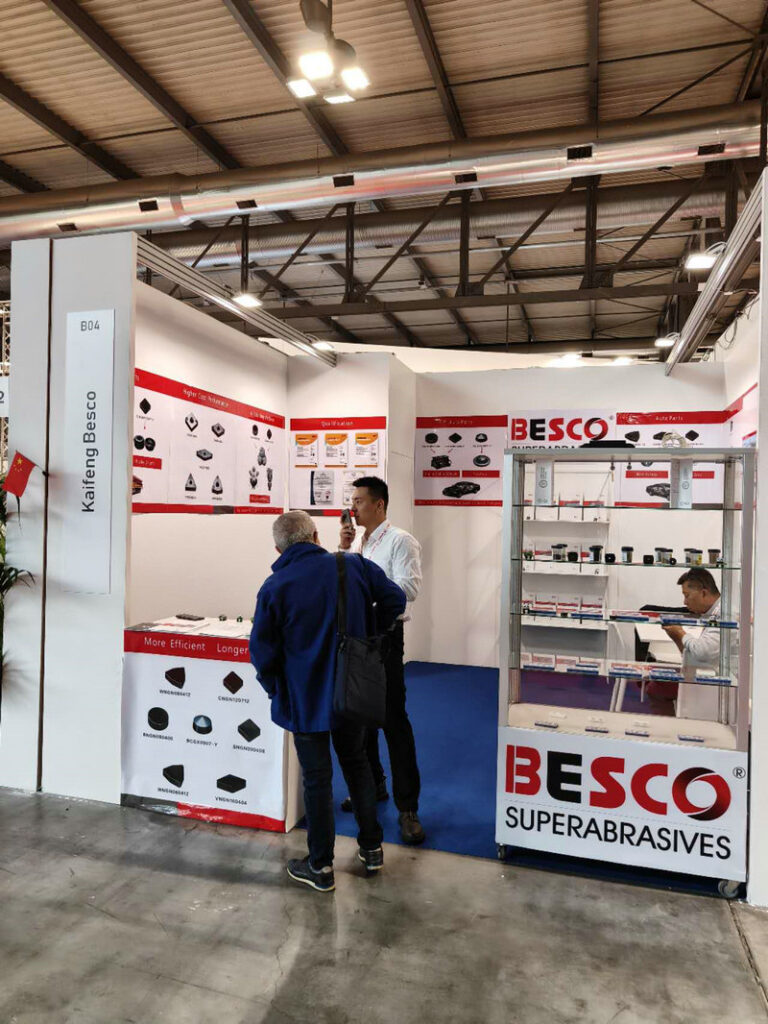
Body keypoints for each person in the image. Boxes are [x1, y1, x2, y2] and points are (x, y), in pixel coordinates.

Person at [250, 510, 406, 893]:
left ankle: (320, 866)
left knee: (317, 780)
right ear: (316, 536)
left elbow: (262, 652)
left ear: (278, 549)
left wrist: (274, 689)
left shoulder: (275, 586)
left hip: (303, 699)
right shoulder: (353, 566)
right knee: (357, 764)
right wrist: (371, 632)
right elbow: (396, 599)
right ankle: (372, 849)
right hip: (351, 690)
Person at [339, 476, 426, 845]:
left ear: (379, 504)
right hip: (360, 636)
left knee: (393, 721)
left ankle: (408, 808)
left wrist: (370, 585)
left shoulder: (401, 541)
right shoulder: (360, 542)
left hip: (387, 637)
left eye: (359, 501)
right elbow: (344, 582)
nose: (353, 508)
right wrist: (344, 550)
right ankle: (374, 785)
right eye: (352, 501)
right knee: (362, 715)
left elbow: (410, 588)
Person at [661, 567, 724, 720]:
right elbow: (694, 654)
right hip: (708, 676)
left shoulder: (723, 613)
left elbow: (703, 652)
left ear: (703, 593)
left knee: (656, 688)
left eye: (687, 595)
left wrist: (680, 633)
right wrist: (677, 637)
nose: (684, 601)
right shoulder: (714, 613)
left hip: (714, 685)